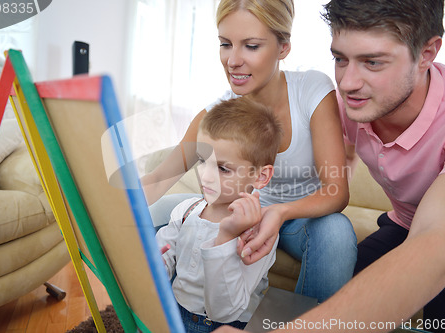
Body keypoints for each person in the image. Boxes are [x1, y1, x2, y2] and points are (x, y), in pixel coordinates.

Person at [217, 0, 445, 332]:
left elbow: (440, 239)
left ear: (427, 53)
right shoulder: (353, 104)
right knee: (341, 293)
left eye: (373, 62)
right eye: (340, 59)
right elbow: (335, 160)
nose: (348, 83)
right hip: (405, 225)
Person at [145, 0, 357, 303]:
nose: (233, 60)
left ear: (283, 47)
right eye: (225, 44)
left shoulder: (311, 90)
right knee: (151, 213)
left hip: (299, 220)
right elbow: (158, 178)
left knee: (337, 232)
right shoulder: (217, 114)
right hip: (234, 210)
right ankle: (161, 312)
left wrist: (278, 212)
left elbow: (336, 191)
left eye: (251, 46)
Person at [156, 97, 282, 332]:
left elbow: (223, 311)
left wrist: (225, 238)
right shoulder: (188, 210)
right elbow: (161, 263)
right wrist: (153, 265)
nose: (206, 176)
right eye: (203, 161)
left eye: (223, 168)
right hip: (175, 316)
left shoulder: (258, 231)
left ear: (260, 177)